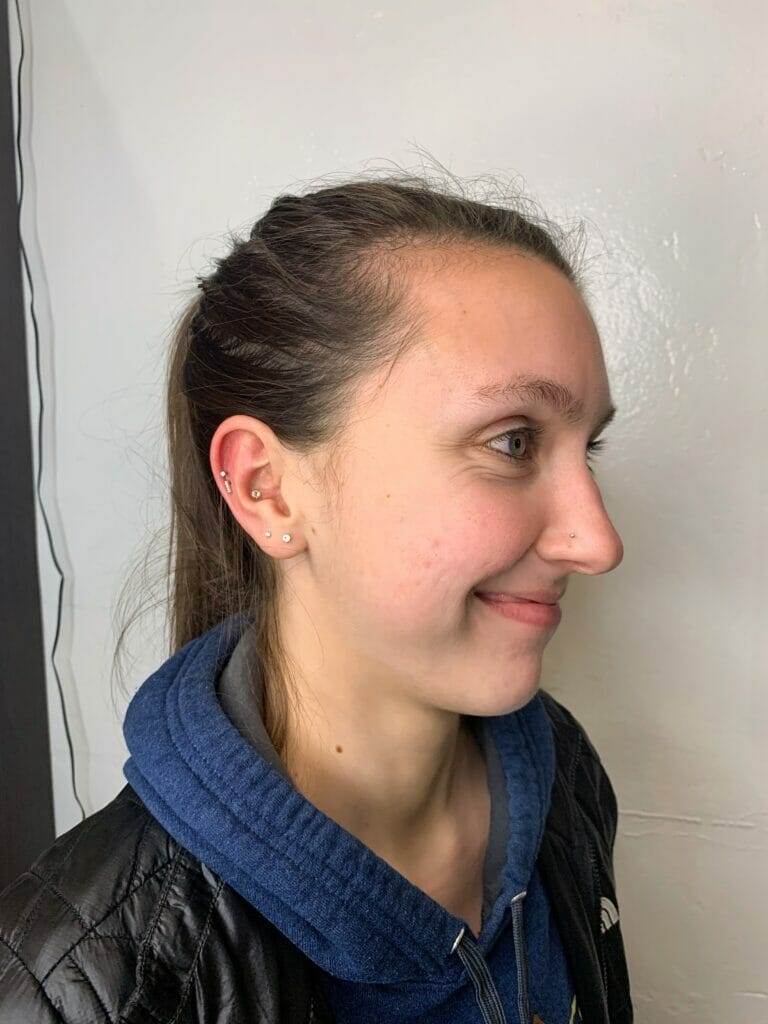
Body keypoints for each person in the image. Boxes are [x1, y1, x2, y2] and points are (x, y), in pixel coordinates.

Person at [0, 172, 634, 1023]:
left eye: (583, 448)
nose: (597, 542)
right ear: (267, 489)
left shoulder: (560, 771)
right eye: (512, 441)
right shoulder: (81, 985)